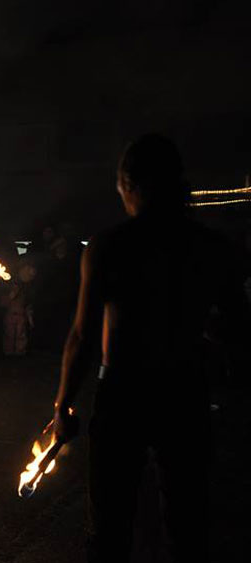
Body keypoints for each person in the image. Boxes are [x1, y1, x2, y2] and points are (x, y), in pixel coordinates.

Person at [51, 134, 250, 563]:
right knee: (187, 522)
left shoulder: (111, 245)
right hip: (185, 389)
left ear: (128, 184)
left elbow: (83, 336)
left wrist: (63, 405)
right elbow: (240, 328)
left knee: (110, 527)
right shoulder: (211, 247)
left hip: (124, 392)